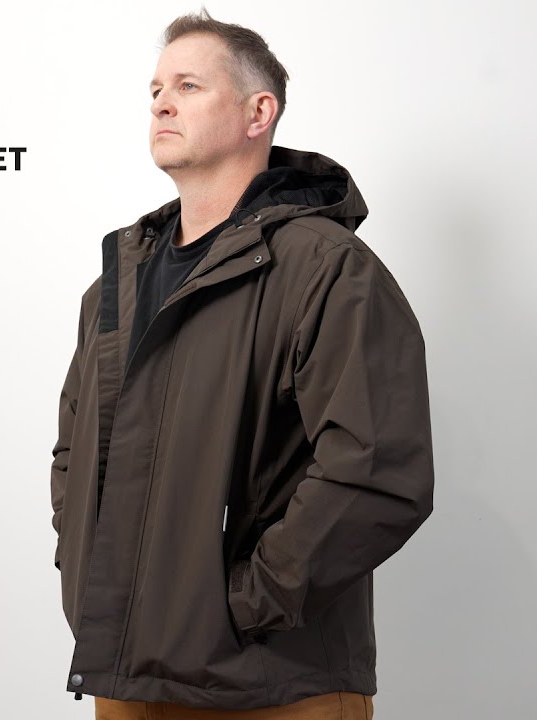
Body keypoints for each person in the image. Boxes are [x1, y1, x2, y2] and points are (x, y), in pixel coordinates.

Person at [49, 9, 434, 719]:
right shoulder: (116, 287)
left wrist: (247, 604)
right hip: (127, 680)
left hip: (274, 682)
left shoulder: (328, 270)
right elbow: (75, 449)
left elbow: (377, 470)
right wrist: (85, 573)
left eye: (189, 86)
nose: (162, 103)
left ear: (260, 112)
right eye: (156, 89)